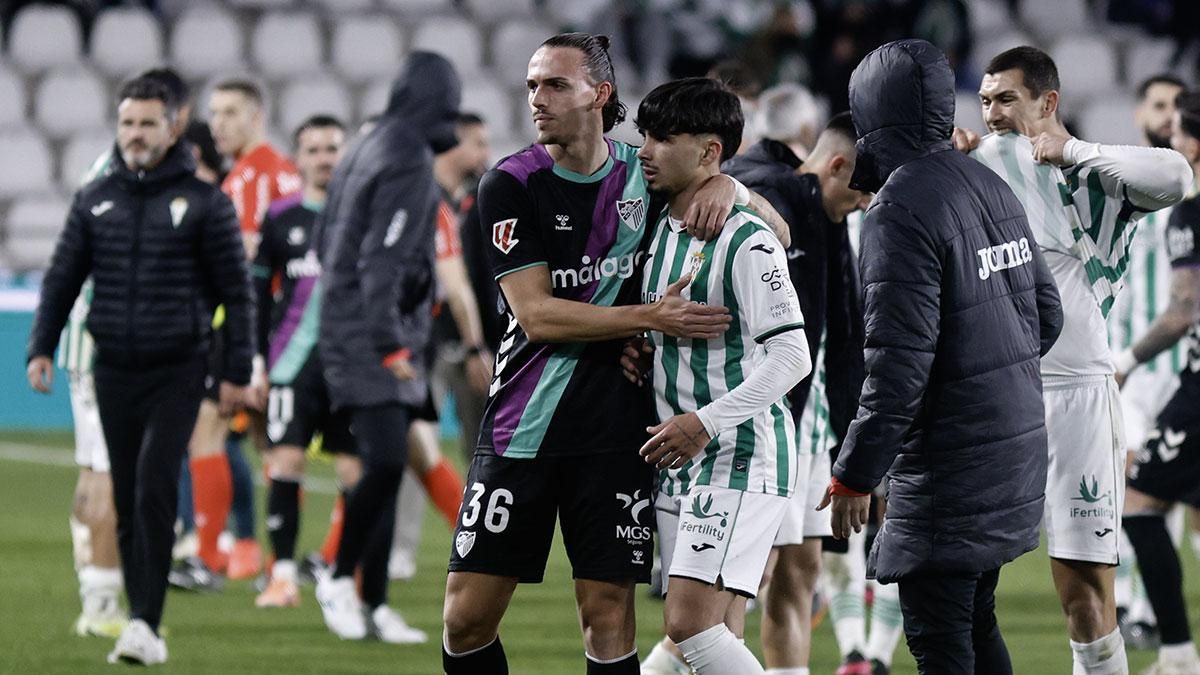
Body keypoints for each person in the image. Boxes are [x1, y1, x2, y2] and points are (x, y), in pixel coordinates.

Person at [440, 33, 785, 675]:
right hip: (523, 423)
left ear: (599, 94)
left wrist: (729, 188)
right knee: (466, 619)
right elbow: (536, 316)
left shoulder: (644, 174)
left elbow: (777, 229)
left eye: (555, 85)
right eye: (532, 86)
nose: (537, 99)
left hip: (615, 432)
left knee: (607, 616)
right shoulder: (511, 183)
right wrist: (648, 319)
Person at [819, 39, 1064, 673]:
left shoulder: (897, 208)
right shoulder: (988, 184)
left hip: (948, 468)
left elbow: (898, 367)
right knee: (975, 621)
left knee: (941, 639)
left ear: (870, 110)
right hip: (1011, 448)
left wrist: (854, 474)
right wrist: (986, 376)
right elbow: (1047, 316)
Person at [968, 46, 1191, 674]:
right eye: (984, 101)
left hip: (1077, 397)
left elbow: (1177, 176)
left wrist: (1071, 149)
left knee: (1085, 598)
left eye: (1006, 99)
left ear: (1048, 102)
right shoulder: (977, 167)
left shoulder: (1095, 174)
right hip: (994, 395)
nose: (993, 114)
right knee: (962, 587)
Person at [26, 75, 253, 666]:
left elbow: (237, 292)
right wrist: (41, 345)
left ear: (172, 127)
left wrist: (236, 370)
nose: (135, 133)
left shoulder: (206, 202)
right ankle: (137, 618)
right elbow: (63, 276)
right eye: (127, 122)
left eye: (147, 123)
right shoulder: (95, 197)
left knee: (154, 483)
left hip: (179, 368)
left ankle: (145, 623)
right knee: (127, 495)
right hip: (113, 368)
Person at [634, 76, 812, 675]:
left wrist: (704, 423)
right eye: (645, 135)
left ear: (710, 151)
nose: (646, 151)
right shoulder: (659, 228)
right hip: (681, 454)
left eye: (664, 138)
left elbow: (793, 357)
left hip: (738, 451)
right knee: (719, 631)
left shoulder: (746, 238)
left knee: (689, 625)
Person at [312, 51, 461, 644]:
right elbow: (383, 257)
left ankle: (373, 604)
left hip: (349, 323)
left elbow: (327, 239)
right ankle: (336, 576)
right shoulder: (408, 155)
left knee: (387, 464)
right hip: (373, 335)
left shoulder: (367, 145)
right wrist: (389, 342)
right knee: (386, 463)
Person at [723, 111, 874, 675]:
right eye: (862, 188)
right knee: (739, 581)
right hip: (766, 421)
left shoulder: (828, 215)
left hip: (813, 424)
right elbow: (737, 182)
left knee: (799, 573)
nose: (865, 202)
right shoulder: (770, 193)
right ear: (835, 166)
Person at [195, 77, 301, 581]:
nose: (219, 124)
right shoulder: (269, 173)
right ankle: (275, 561)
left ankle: (210, 558)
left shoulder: (255, 178)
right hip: (273, 327)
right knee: (270, 444)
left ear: (257, 117)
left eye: (230, 112)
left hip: (257, 326)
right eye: (214, 113)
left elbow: (248, 263)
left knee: (209, 429)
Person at [250, 114, 351, 609]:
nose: (324, 159)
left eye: (332, 149)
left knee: (355, 470)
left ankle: (344, 575)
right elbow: (257, 294)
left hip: (350, 363)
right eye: (313, 150)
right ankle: (283, 576)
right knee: (285, 460)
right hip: (291, 362)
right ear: (298, 160)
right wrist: (255, 362)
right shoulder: (280, 217)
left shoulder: (361, 214)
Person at [1120, 89, 1200, 674]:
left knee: (1140, 502)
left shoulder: (1189, 214)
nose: (1171, 142)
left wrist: (1126, 360)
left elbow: (1182, 310)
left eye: (1178, 134)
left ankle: (1176, 654)